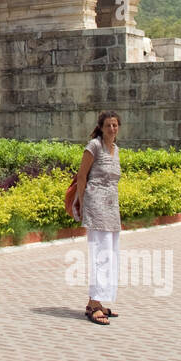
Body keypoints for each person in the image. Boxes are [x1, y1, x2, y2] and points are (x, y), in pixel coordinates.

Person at [72, 111, 123, 324]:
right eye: (108, 125)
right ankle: (94, 303)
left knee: (111, 255)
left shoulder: (116, 150)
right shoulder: (94, 146)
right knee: (100, 254)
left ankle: (98, 301)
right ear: (101, 127)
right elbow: (82, 176)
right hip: (95, 205)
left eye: (115, 125)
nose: (112, 129)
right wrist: (81, 202)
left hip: (112, 208)